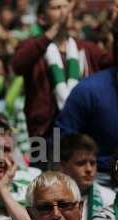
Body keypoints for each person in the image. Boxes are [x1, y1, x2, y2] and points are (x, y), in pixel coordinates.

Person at [12, 0, 112, 138]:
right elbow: (17, 65)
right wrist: (55, 28)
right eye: (56, 8)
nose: (64, 12)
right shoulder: (33, 46)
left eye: (66, 7)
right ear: (42, 18)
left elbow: (113, 62)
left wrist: (114, 25)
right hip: (46, 133)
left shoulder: (86, 48)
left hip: (84, 130)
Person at [59, 133, 114, 220]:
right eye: (81, 163)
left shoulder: (110, 198)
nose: (89, 169)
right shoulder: (49, 198)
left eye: (93, 163)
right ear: (63, 166)